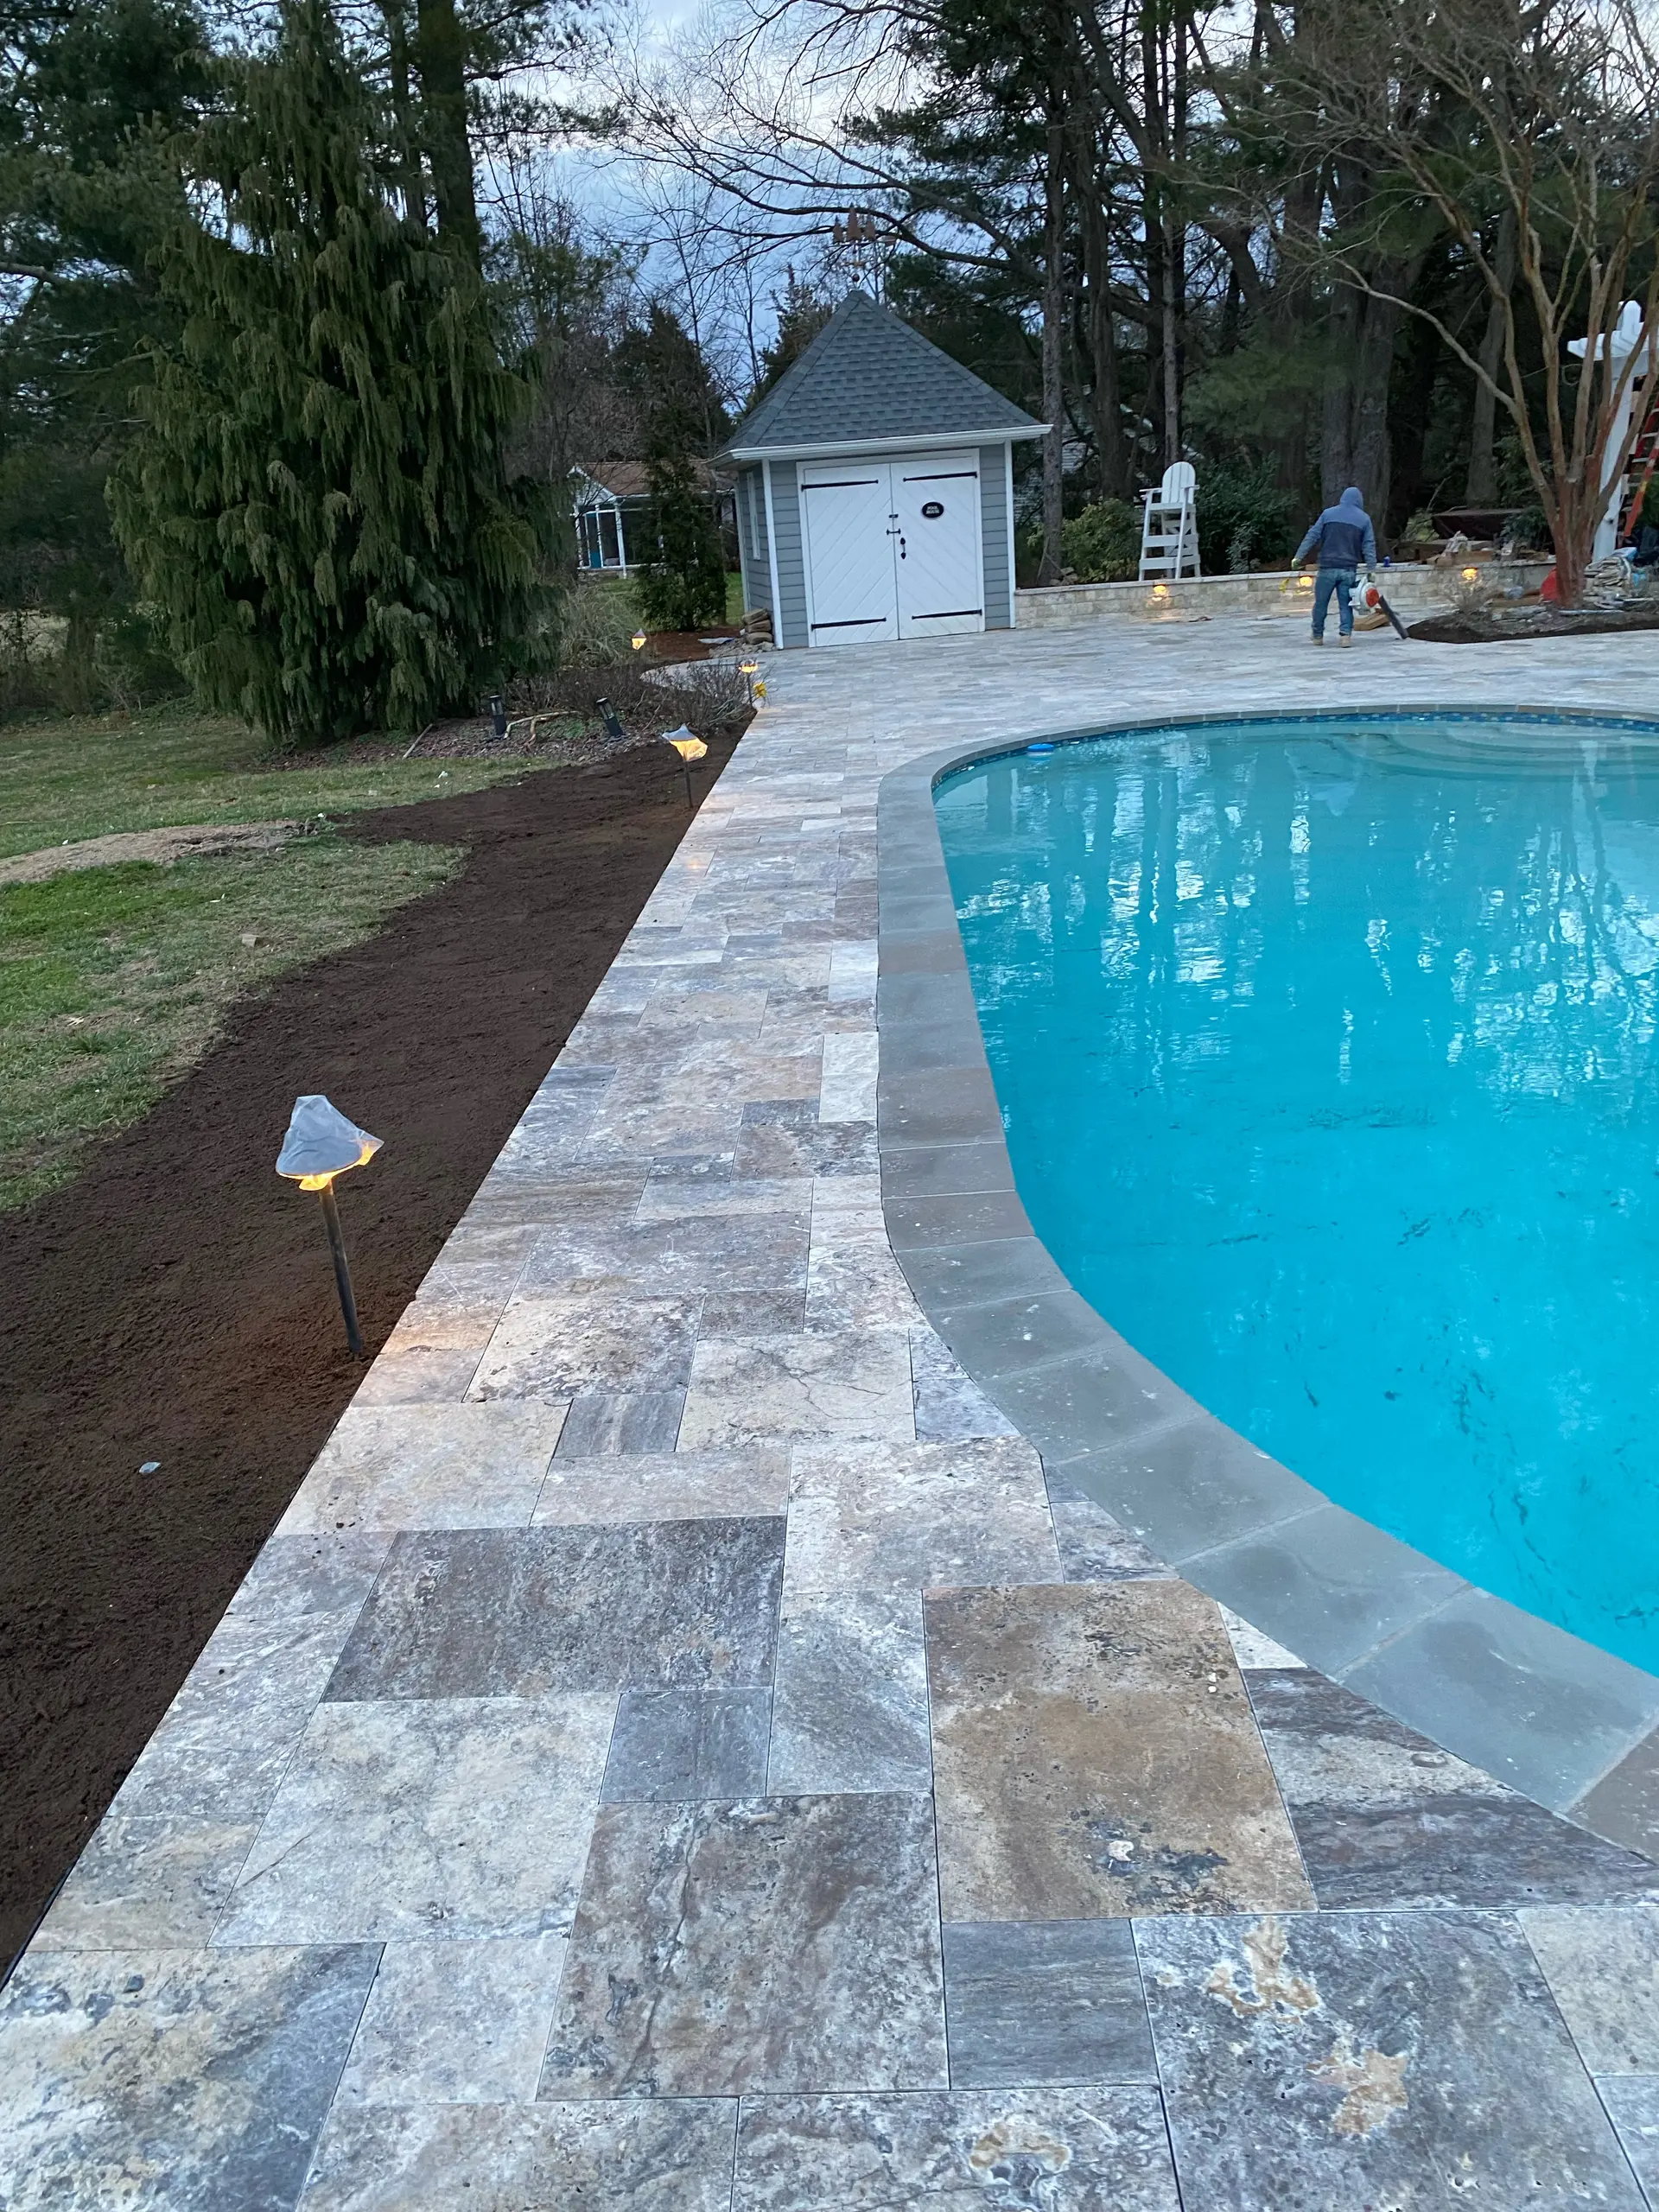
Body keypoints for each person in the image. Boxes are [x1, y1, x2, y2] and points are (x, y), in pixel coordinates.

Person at [1293, 486, 1378, 645]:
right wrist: (1371, 569)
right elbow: (1369, 545)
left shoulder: (1328, 514)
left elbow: (1312, 535)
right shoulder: (1364, 519)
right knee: (1346, 604)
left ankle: (1318, 636)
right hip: (1348, 570)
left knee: (1320, 604)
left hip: (1327, 568)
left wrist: (1298, 557)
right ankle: (1345, 636)